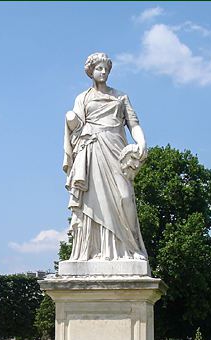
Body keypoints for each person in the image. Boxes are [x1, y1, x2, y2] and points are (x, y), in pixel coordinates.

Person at [63, 52, 148, 261]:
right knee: (92, 202)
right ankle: (91, 250)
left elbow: (133, 124)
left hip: (116, 149)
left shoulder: (120, 97)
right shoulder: (82, 98)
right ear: (91, 71)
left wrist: (142, 142)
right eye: (99, 68)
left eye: (106, 69)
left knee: (125, 197)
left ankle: (131, 248)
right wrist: (70, 119)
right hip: (91, 149)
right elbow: (77, 126)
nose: (103, 72)